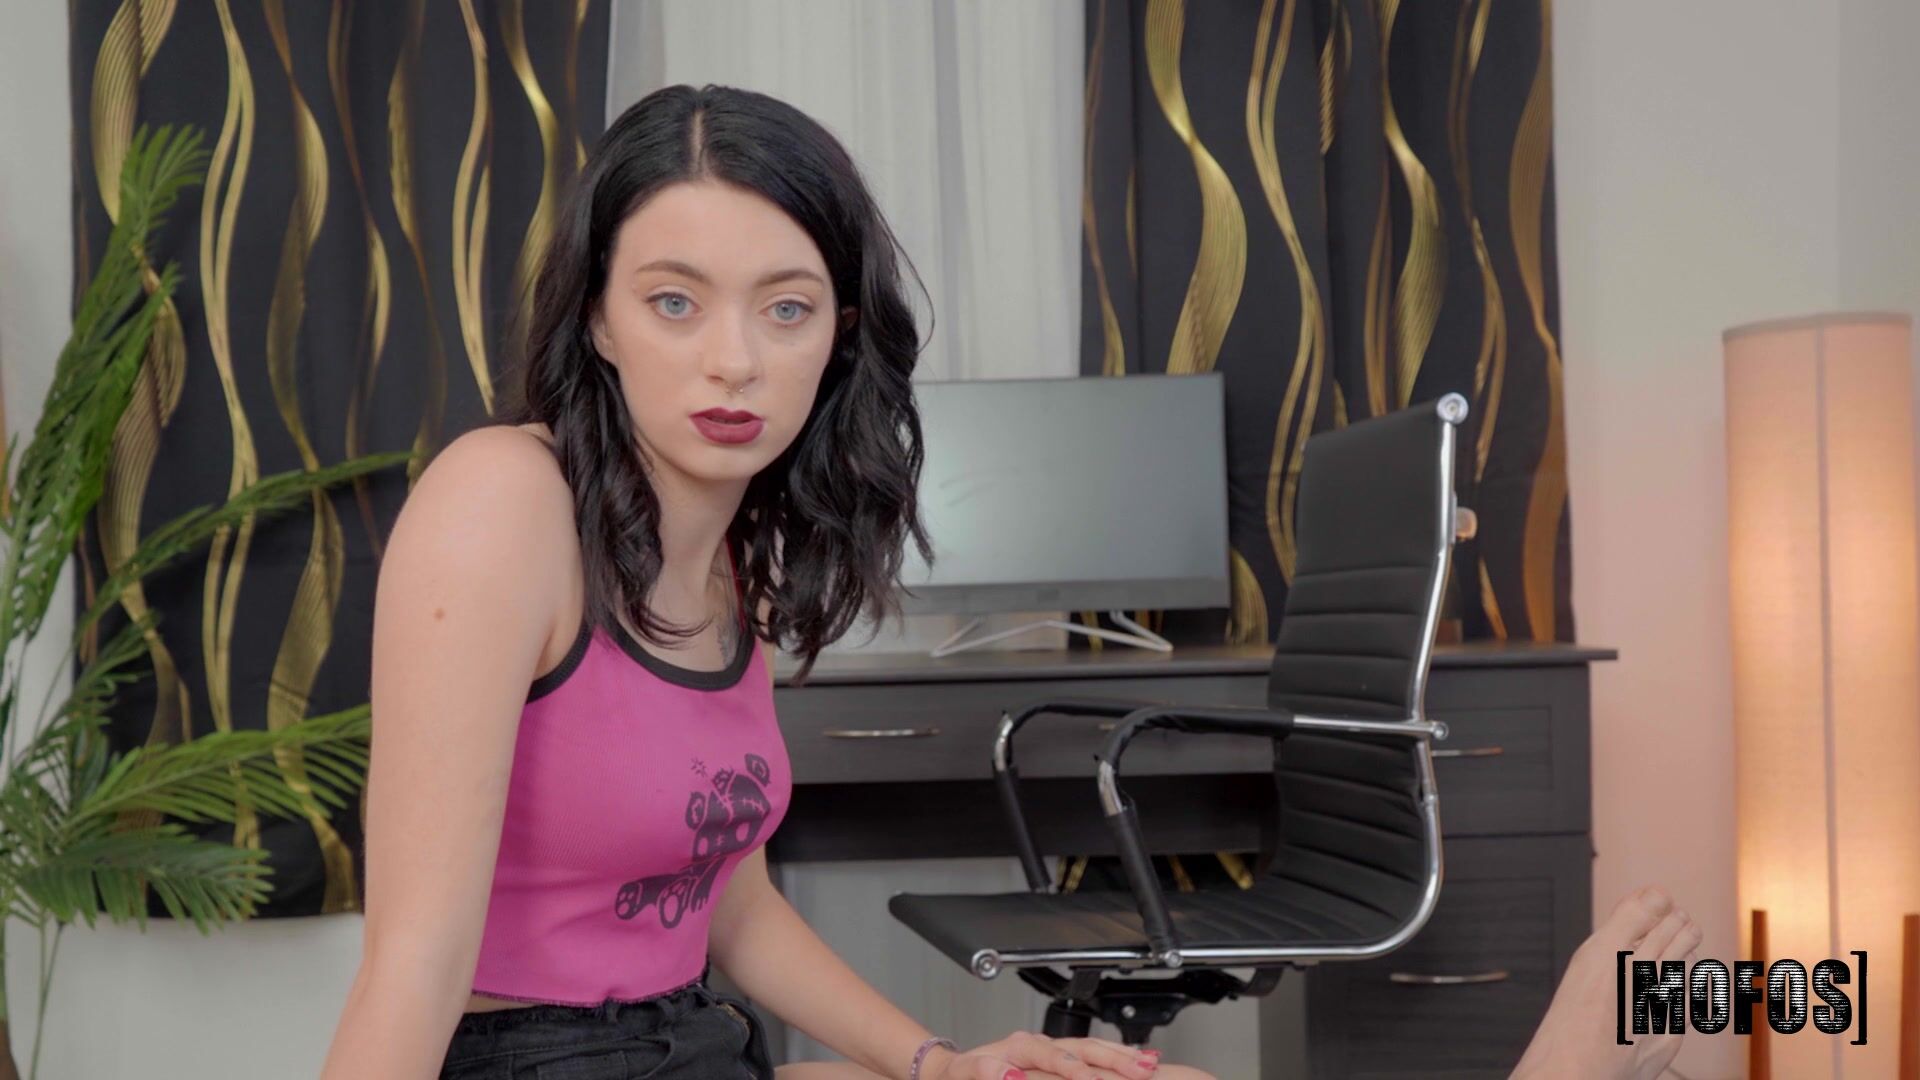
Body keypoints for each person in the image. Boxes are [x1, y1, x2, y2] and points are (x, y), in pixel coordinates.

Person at [317, 83, 1215, 1080]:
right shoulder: (503, 499)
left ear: (837, 336)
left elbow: (733, 908)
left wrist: (938, 1064)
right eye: (674, 302)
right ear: (599, 320)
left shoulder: (729, 562)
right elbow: (413, 961)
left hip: (694, 1038)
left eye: (786, 309)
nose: (733, 360)